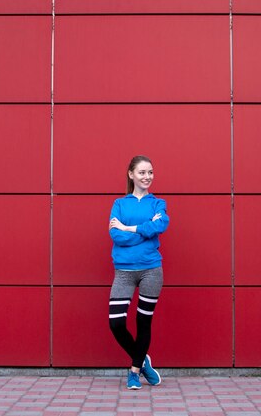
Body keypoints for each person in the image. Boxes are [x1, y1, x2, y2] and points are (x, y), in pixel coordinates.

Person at [108, 155, 169, 390]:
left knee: (143, 322)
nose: (147, 177)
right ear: (131, 174)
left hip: (151, 270)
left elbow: (160, 225)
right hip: (124, 271)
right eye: (142, 172)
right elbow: (116, 236)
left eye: (151, 172)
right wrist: (144, 232)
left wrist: (129, 228)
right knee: (116, 323)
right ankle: (143, 360)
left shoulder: (157, 204)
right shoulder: (120, 204)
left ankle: (134, 372)